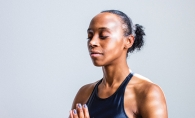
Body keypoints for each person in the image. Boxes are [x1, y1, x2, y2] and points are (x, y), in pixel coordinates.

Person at [69, 10, 168, 118]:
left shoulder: (147, 92)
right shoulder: (84, 93)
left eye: (103, 36)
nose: (92, 42)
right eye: (90, 36)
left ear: (128, 41)